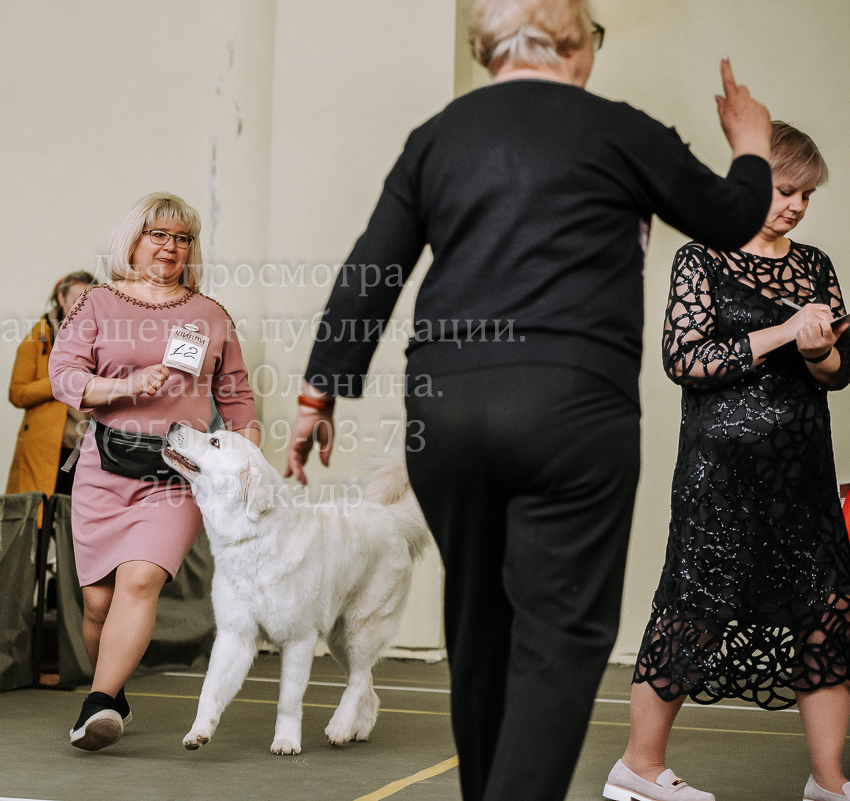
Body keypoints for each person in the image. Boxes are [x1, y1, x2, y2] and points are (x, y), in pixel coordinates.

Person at [283, 1, 773, 799]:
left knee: (481, 631)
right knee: (561, 634)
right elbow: (730, 217)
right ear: (578, 46)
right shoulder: (619, 128)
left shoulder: (437, 138)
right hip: (571, 404)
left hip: (447, 407)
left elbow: (371, 268)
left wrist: (317, 394)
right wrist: (751, 145)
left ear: (483, 51)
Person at [606, 123, 850, 801]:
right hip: (722, 480)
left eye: (807, 193)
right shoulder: (701, 258)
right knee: (695, 611)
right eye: (785, 188)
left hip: (803, 479)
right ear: (747, 183)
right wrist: (783, 330)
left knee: (826, 612)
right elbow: (686, 359)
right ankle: (639, 767)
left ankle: (830, 783)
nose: (797, 204)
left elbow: (836, 373)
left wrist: (818, 349)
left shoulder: (816, 265)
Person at [48, 192, 258, 751]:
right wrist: (125, 386)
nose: (170, 247)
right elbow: (64, 376)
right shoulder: (95, 301)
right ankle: (111, 696)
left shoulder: (211, 314)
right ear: (132, 241)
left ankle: (95, 706)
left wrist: (247, 461)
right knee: (96, 603)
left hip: (178, 472)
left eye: (182, 238)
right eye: (158, 235)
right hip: (103, 466)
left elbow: (237, 399)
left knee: (140, 580)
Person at [6, 270, 96, 501]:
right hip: (43, 449)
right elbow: (18, 393)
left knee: (78, 524)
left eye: (88, 300)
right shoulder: (37, 337)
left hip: (86, 450)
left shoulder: (104, 339)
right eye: (77, 299)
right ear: (61, 298)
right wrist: (62, 380)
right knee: (39, 520)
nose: (82, 306)